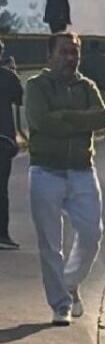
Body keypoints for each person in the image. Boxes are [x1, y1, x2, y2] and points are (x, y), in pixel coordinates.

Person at [25, 32, 105, 326]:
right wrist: (78, 120)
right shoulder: (36, 86)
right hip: (46, 171)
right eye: (63, 52)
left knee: (91, 234)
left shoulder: (87, 87)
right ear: (50, 55)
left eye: (74, 53)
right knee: (50, 243)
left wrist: (64, 117)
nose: (69, 58)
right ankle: (60, 304)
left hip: (82, 170)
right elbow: (40, 121)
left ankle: (70, 282)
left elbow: (102, 117)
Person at [0, 38, 25, 250]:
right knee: (1, 189)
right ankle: (2, 234)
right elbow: (20, 99)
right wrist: (13, 73)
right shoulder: (8, 76)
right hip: (3, 139)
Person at [79, 41, 105, 142]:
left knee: (88, 111)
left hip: (88, 90)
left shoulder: (85, 60)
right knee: (104, 110)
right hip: (103, 89)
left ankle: (90, 134)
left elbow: (78, 75)